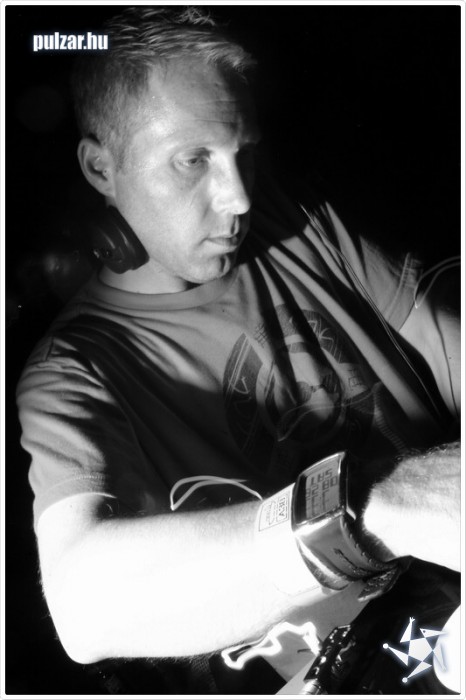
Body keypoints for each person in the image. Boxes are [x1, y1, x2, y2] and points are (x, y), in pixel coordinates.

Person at [16, 6, 460, 694]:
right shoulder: (74, 372)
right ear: (101, 167)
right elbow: (85, 608)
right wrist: (373, 508)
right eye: (193, 160)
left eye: (242, 152)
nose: (239, 197)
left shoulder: (303, 225)